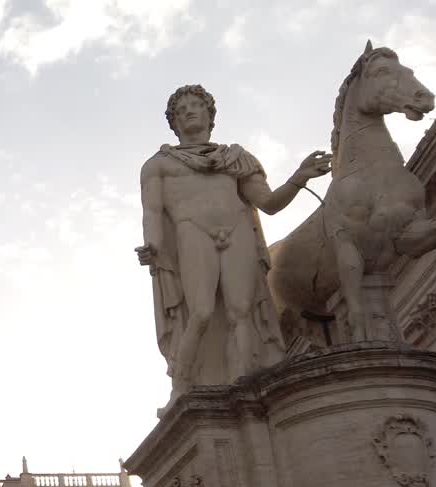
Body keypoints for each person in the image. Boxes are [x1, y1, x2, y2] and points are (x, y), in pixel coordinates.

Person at [137, 84, 330, 412]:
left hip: (237, 229)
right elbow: (153, 212)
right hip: (192, 232)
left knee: (242, 309)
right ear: (174, 122)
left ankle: (248, 384)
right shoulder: (159, 164)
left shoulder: (235, 158)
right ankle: (181, 385)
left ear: (211, 116)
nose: (189, 112)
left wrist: (300, 177)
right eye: (181, 110)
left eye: (196, 106)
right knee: (200, 311)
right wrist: (153, 247)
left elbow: (268, 203)